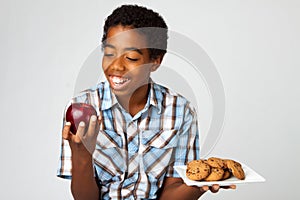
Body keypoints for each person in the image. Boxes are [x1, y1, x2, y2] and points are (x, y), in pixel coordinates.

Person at [57, 4, 235, 200]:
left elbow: (171, 191)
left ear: (156, 61)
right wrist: (81, 155)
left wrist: (198, 186)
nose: (116, 65)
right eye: (109, 53)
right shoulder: (82, 106)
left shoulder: (180, 111)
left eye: (131, 57)